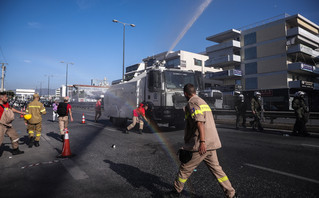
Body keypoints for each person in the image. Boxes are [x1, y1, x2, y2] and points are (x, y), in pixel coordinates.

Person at [165, 84, 237, 198]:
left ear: (185, 94)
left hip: (201, 144)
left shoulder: (192, 103)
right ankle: (231, 194)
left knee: (185, 169)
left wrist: (202, 142)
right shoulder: (203, 101)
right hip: (211, 143)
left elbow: (199, 122)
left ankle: (175, 191)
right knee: (218, 171)